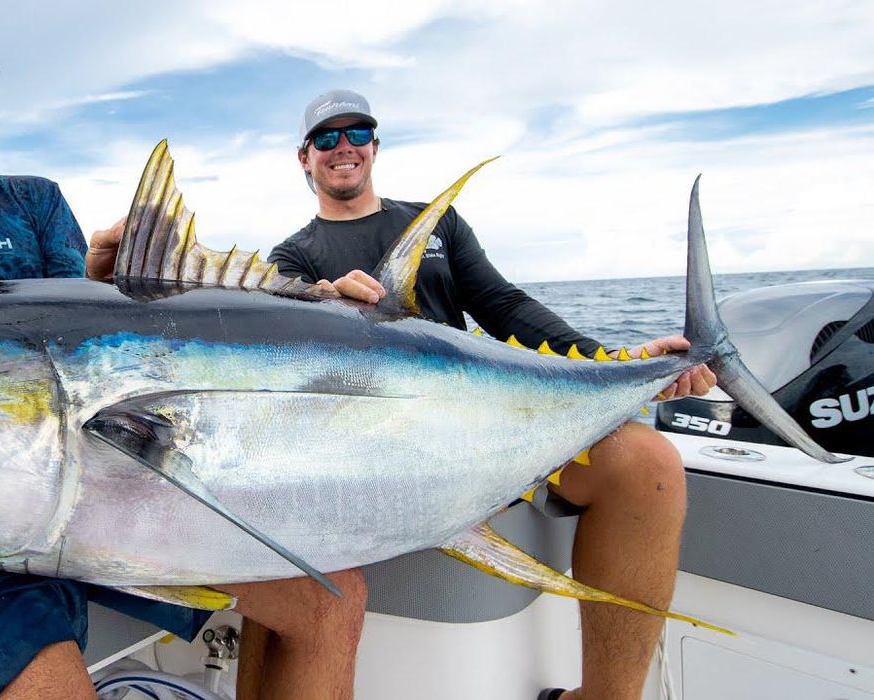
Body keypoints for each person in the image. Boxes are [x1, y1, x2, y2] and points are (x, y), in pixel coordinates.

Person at [0, 5, 364, 699]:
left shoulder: (34, 201)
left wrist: (117, 285)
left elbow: (84, 341)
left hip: (88, 499)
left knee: (332, 598)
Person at [265, 89, 717, 700]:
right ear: (305, 157)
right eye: (326, 138)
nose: (342, 147)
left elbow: (504, 306)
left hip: (492, 429)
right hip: (375, 452)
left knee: (648, 462)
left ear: (375, 145)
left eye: (357, 133)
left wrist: (620, 364)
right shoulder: (292, 258)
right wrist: (321, 302)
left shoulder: (437, 223)